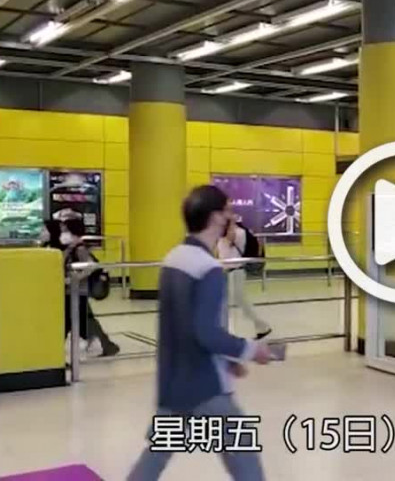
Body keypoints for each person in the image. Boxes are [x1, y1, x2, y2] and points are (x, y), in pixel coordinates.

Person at [127, 185, 273, 481]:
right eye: (228, 210)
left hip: (172, 380)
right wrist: (250, 350)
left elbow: (184, 325)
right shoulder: (208, 269)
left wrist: (228, 361)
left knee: (156, 454)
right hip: (205, 386)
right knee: (244, 457)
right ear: (215, 217)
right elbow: (207, 332)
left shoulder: (173, 259)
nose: (231, 217)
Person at [61, 218, 120, 357]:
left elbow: (91, 266)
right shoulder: (71, 248)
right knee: (83, 319)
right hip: (72, 291)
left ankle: (106, 344)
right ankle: (106, 344)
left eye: (65, 230)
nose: (62, 234)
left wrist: (75, 278)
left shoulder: (80, 249)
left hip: (77, 291)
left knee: (74, 320)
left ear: (72, 232)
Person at [217, 216, 271, 340]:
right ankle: (259, 326)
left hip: (235, 272)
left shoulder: (237, 233)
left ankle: (261, 326)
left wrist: (229, 226)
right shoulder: (225, 233)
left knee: (241, 302)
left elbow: (229, 240)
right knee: (228, 303)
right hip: (225, 273)